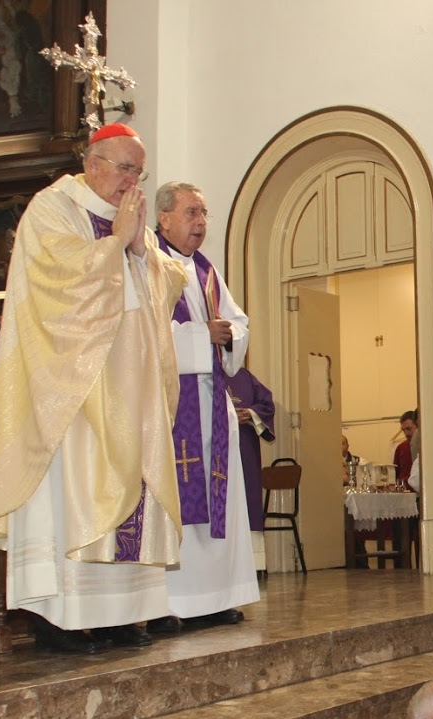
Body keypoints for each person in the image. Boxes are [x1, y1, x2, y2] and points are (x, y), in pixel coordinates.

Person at [0, 122, 186, 655]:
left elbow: (164, 276)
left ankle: (118, 615)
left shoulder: (130, 215)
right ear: (92, 163)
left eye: (139, 170)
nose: (132, 179)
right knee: (76, 490)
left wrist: (139, 249)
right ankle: (59, 617)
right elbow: (53, 280)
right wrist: (116, 244)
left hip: (129, 380)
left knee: (130, 486)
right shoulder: (52, 208)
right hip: (72, 382)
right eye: (125, 167)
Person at [151, 180, 258, 634]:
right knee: (181, 499)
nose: (200, 222)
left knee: (223, 500)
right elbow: (144, 332)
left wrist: (228, 333)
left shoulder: (208, 271)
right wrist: (200, 337)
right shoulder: (149, 264)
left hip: (213, 401)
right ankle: (175, 601)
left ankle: (218, 596)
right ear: (164, 218)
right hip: (174, 403)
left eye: (204, 214)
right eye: (192, 213)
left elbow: (238, 320)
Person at [228, 367, 276, 574]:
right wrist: (227, 415)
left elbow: (266, 403)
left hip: (245, 448)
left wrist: (250, 413)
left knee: (247, 500)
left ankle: (251, 567)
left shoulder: (244, 376)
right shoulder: (203, 373)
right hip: (217, 450)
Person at [393, 409, 418, 487]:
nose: (406, 433)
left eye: (409, 429)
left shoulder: (425, 448)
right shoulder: (400, 448)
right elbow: (395, 474)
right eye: (403, 430)